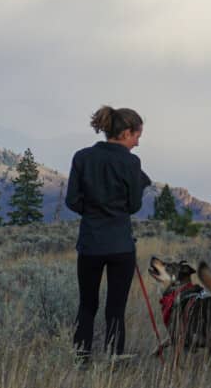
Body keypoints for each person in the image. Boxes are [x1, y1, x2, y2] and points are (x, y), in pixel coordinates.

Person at [65, 105, 151, 363]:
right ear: (126, 133)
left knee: (87, 306)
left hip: (90, 244)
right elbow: (134, 206)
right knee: (115, 309)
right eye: (137, 136)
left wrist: (92, 212)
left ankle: (81, 361)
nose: (137, 143)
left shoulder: (81, 157)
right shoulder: (131, 162)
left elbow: (72, 201)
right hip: (121, 247)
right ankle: (114, 364)